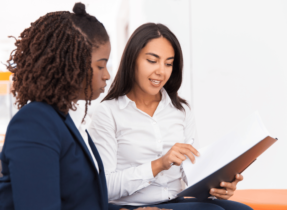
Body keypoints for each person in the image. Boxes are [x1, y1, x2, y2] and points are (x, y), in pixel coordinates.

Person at [0, 3, 164, 210]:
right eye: (100, 65)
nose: (107, 75)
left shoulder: (66, 121)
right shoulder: (35, 123)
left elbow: (84, 202)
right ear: (71, 63)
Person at [88, 23, 253, 210]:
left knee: (241, 209)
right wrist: (159, 164)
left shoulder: (181, 110)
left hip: (176, 201)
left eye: (168, 63)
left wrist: (218, 185)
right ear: (132, 60)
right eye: (152, 61)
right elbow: (104, 186)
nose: (161, 71)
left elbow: (192, 175)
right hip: (132, 206)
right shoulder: (109, 112)